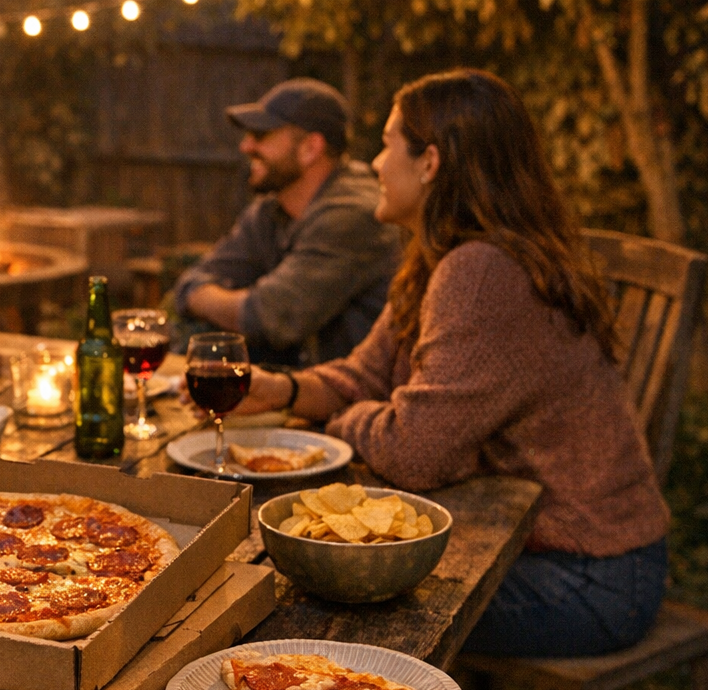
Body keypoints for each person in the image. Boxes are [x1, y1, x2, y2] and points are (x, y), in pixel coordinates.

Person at [233, 69, 670, 657]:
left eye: (386, 144)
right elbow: (364, 376)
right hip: (550, 551)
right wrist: (283, 390)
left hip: (591, 577)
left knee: (319, 599)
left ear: (430, 162)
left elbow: (415, 453)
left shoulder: (482, 273)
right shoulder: (443, 259)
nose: (374, 164)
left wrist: (339, 421)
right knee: (330, 582)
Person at [173, 78, 402, 366]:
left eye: (260, 135)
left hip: (347, 391)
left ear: (310, 148)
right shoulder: (270, 210)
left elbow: (271, 317)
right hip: (290, 385)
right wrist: (214, 299)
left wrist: (208, 299)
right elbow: (190, 284)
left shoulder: (353, 215)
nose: (246, 146)